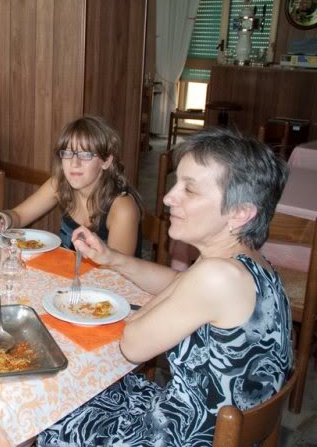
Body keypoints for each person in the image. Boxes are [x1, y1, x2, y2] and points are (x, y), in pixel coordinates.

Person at [38, 128, 293, 445]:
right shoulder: (248, 263)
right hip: (201, 418)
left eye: (190, 190)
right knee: (83, 386)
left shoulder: (216, 276)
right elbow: (178, 282)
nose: (169, 198)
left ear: (240, 213)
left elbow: (132, 345)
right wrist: (111, 258)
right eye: (177, 183)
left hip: (182, 434)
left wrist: (142, 310)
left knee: (49, 409)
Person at [0, 116, 142, 257]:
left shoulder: (122, 208)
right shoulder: (60, 184)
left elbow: (117, 273)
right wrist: (0, 220)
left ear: (106, 161)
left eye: (85, 154)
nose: (74, 163)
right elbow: (19, 215)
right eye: (67, 153)